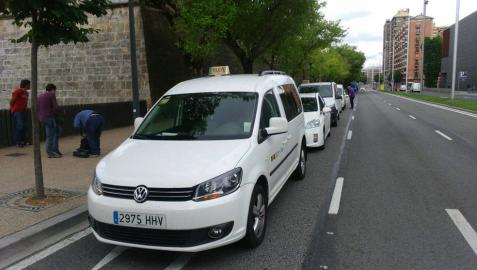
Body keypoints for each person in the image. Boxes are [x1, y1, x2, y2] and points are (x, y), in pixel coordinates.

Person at [38, 83, 61, 158]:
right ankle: (51, 152)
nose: (55, 92)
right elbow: (55, 107)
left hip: (42, 117)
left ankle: (54, 150)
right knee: (52, 135)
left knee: (50, 135)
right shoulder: (51, 95)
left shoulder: (40, 96)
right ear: (52, 89)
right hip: (49, 117)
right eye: (55, 90)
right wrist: (60, 112)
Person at [10, 79, 30, 147]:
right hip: (17, 112)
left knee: (24, 126)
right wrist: (13, 109)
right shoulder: (18, 91)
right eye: (29, 84)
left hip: (23, 111)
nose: (30, 86)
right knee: (19, 126)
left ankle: (23, 141)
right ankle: (18, 142)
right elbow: (12, 101)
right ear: (26, 85)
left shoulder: (27, 93)